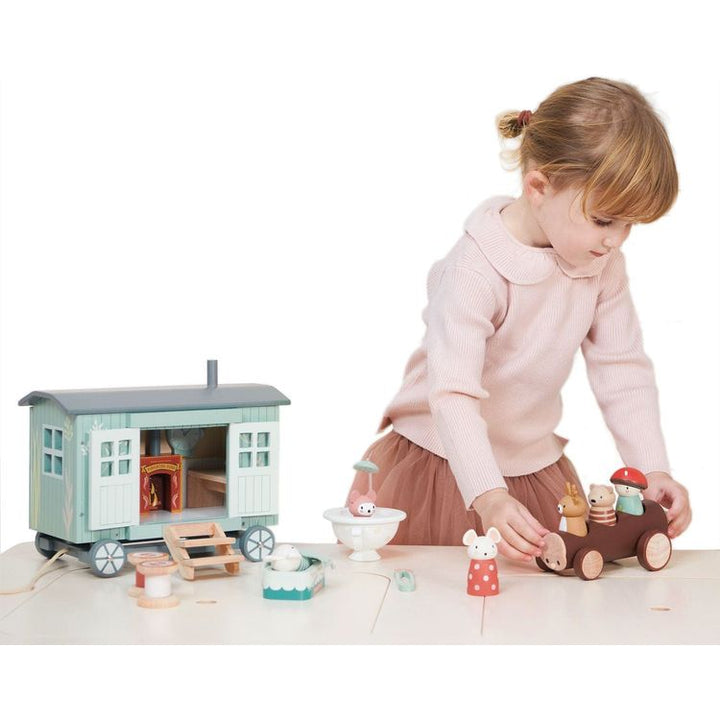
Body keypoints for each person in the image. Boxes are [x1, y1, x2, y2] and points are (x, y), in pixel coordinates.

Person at [345, 77, 692, 562]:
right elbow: (452, 392)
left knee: (541, 591)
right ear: (539, 187)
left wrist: (651, 469)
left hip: (531, 465)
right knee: (440, 589)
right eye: (603, 220)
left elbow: (622, 367)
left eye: (629, 223)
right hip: (440, 461)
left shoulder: (602, 265)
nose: (617, 239)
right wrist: (488, 494)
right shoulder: (474, 270)